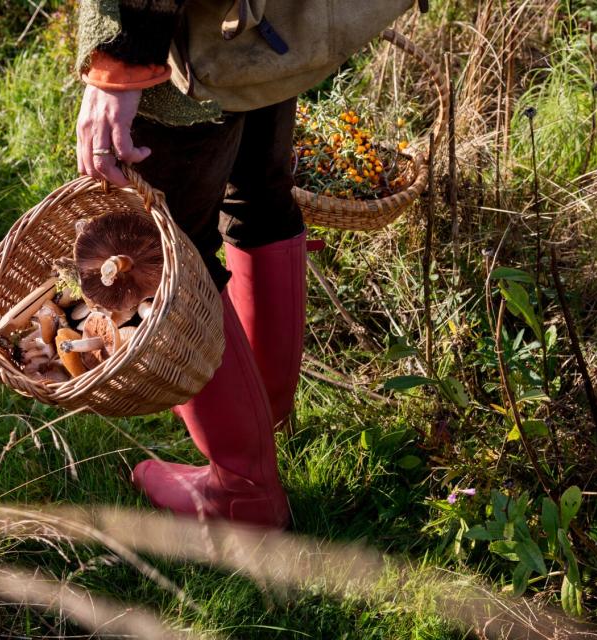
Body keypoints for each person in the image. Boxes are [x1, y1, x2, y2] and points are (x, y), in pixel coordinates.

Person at [75, 0, 416, 529]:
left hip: (180, 40)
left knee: (165, 256)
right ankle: (262, 414)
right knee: (258, 199)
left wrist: (121, 60)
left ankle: (242, 491)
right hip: (260, 28)